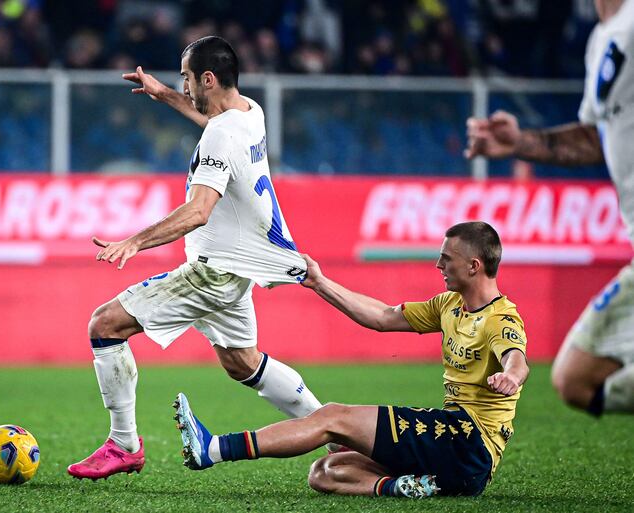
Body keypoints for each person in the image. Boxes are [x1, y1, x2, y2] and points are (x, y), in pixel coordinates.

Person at [67, 36, 327, 480]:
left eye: (186, 78)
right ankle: (336, 430)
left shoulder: (222, 134)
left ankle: (123, 445)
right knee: (243, 362)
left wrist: (135, 241)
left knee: (105, 325)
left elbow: (198, 211)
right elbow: (211, 121)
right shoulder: (250, 112)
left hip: (213, 273)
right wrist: (165, 95)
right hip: (238, 268)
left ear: (207, 78)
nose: (183, 86)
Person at [174, 222, 530, 498]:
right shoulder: (449, 304)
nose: (439, 264)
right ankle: (402, 487)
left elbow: (516, 358)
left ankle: (214, 449)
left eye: (446, 258)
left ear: (474, 266)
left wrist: (511, 376)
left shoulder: (500, 318)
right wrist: (320, 283)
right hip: (452, 456)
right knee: (325, 471)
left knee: (333, 417)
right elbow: (382, 317)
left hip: (468, 442)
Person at [465, 0, 634, 417]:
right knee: (576, 380)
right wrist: (520, 143)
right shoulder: (602, 38)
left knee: (575, 378)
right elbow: (596, 138)